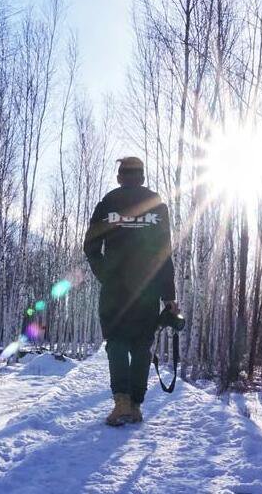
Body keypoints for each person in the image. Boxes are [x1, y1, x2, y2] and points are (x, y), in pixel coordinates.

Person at [83, 156, 179, 426]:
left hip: (115, 291)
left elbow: (90, 245)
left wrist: (105, 274)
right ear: (142, 176)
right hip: (147, 290)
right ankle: (135, 406)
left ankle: (122, 403)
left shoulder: (109, 202)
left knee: (116, 343)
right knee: (141, 346)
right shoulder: (156, 205)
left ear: (120, 176)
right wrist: (168, 297)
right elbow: (165, 253)